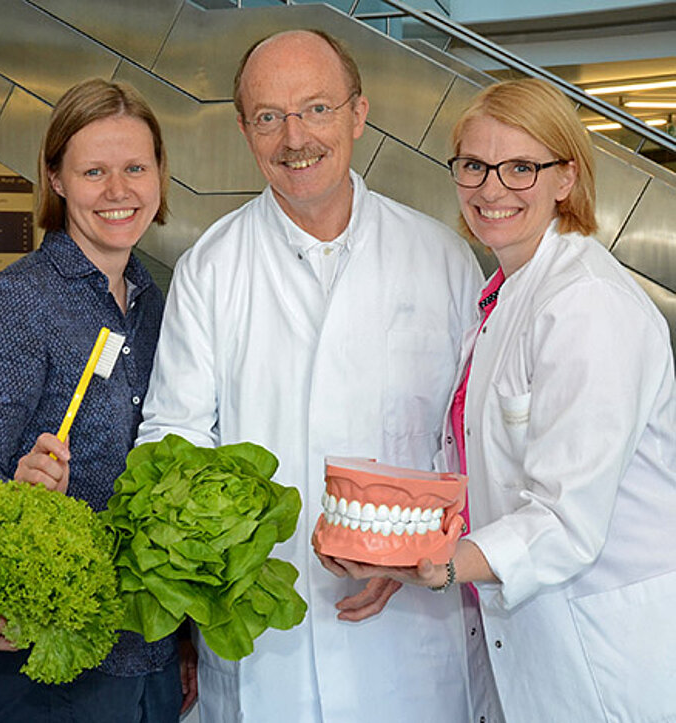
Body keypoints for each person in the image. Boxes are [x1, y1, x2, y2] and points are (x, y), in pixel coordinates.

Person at [137, 29, 497, 722]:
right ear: (244, 130)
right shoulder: (211, 267)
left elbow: (464, 440)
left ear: (358, 115)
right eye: (269, 116)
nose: (293, 137)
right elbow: (171, 441)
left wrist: (413, 554)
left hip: (411, 631)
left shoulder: (441, 257)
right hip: (268, 634)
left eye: (316, 110)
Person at [325, 77, 676, 721]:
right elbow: (480, 466)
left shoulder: (586, 306)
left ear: (565, 178)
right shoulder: (504, 292)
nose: (491, 189)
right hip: (533, 640)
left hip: (604, 655)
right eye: (474, 166)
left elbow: (564, 520)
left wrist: (445, 564)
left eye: (521, 168)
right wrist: (406, 551)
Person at [0, 77, 195, 723]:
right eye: (93, 171)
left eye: (135, 167)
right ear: (54, 178)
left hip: (150, 649)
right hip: (47, 659)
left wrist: (182, 635)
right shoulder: (19, 302)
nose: (118, 191)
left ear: (160, 173)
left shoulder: (158, 304)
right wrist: (14, 493)